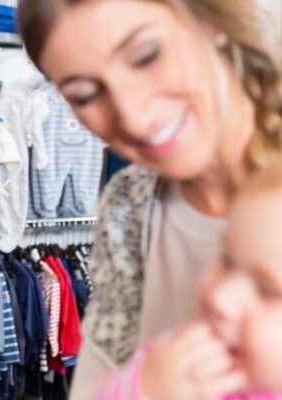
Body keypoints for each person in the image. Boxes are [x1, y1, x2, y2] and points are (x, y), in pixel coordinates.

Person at [16, 0, 282, 398]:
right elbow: (98, 381)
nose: (134, 116)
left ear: (212, 22)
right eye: (84, 95)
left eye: (147, 56)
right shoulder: (129, 205)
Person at [96, 162, 282, 399]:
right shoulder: (181, 360)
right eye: (227, 261)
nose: (220, 297)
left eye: (267, 291)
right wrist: (147, 390)